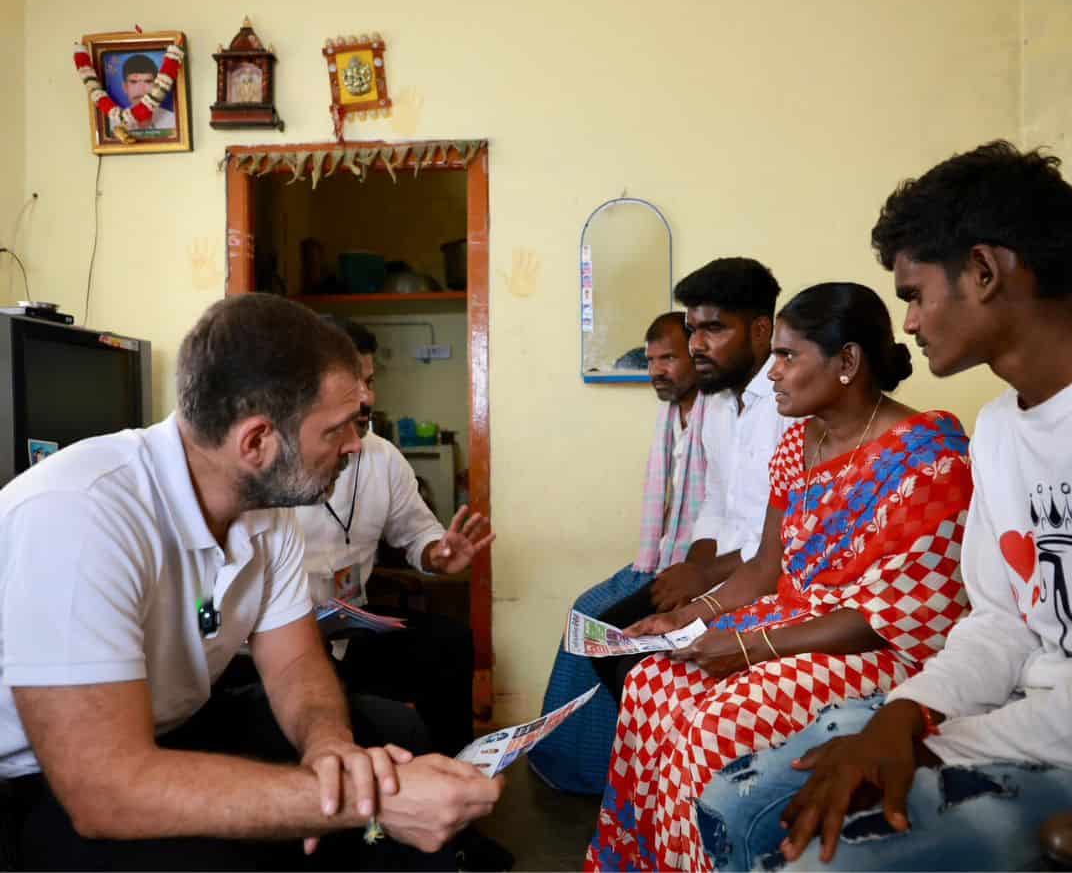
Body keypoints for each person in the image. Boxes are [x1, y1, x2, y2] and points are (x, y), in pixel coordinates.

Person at [697, 142, 1072, 872]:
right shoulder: (998, 428)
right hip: (1024, 722)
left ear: (985, 272)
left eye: (913, 293)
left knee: (820, 860)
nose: (906, 323)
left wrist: (927, 740)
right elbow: (1000, 621)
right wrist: (905, 711)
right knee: (737, 804)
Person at [0, 294, 502, 871]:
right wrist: (356, 804)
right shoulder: (80, 513)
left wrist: (330, 748)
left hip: (173, 726)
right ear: (257, 442)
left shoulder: (267, 511)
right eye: (337, 429)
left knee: (388, 734)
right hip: (41, 781)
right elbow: (103, 789)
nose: (355, 445)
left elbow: (293, 665)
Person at [585, 283, 973, 871]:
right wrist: (685, 618)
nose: (773, 374)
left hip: (877, 645)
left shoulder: (929, 455)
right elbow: (768, 567)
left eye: (788, 356)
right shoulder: (799, 442)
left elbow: (896, 616)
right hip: (790, 623)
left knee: (714, 724)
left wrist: (748, 648)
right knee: (652, 682)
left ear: (847, 361)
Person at [587, 258, 789, 707]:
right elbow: (715, 503)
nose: (698, 344)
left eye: (714, 329)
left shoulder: (790, 402)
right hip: (718, 571)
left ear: (760, 331)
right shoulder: (715, 404)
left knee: (635, 667)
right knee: (606, 641)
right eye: (693, 329)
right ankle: (652, 764)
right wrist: (692, 572)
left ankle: (686, 763)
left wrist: (705, 577)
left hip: (766, 581)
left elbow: (786, 535)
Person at [295, 317, 491, 760]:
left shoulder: (383, 457)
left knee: (449, 643)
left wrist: (437, 553)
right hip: (290, 632)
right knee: (374, 718)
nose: (367, 398)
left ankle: (453, 773)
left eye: (370, 381)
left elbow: (417, 532)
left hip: (351, 618)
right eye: (354, 384)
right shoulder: (277, 464)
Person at [527, 311, 706, 795]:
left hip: (703, 570)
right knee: (582, 613)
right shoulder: (675, 416)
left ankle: (608, 773)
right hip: (664, 557)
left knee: (603, 626)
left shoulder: (723, 414)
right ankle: (572, 760)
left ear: (699, 354)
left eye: (669, 357)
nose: (656, 371)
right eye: (650, 360)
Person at [119, 53, 175, 132]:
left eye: (148, 81)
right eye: (133, 82)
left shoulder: (172, 121)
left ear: (156, 86)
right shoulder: (115, 124)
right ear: (125, 87)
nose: (141, 89)